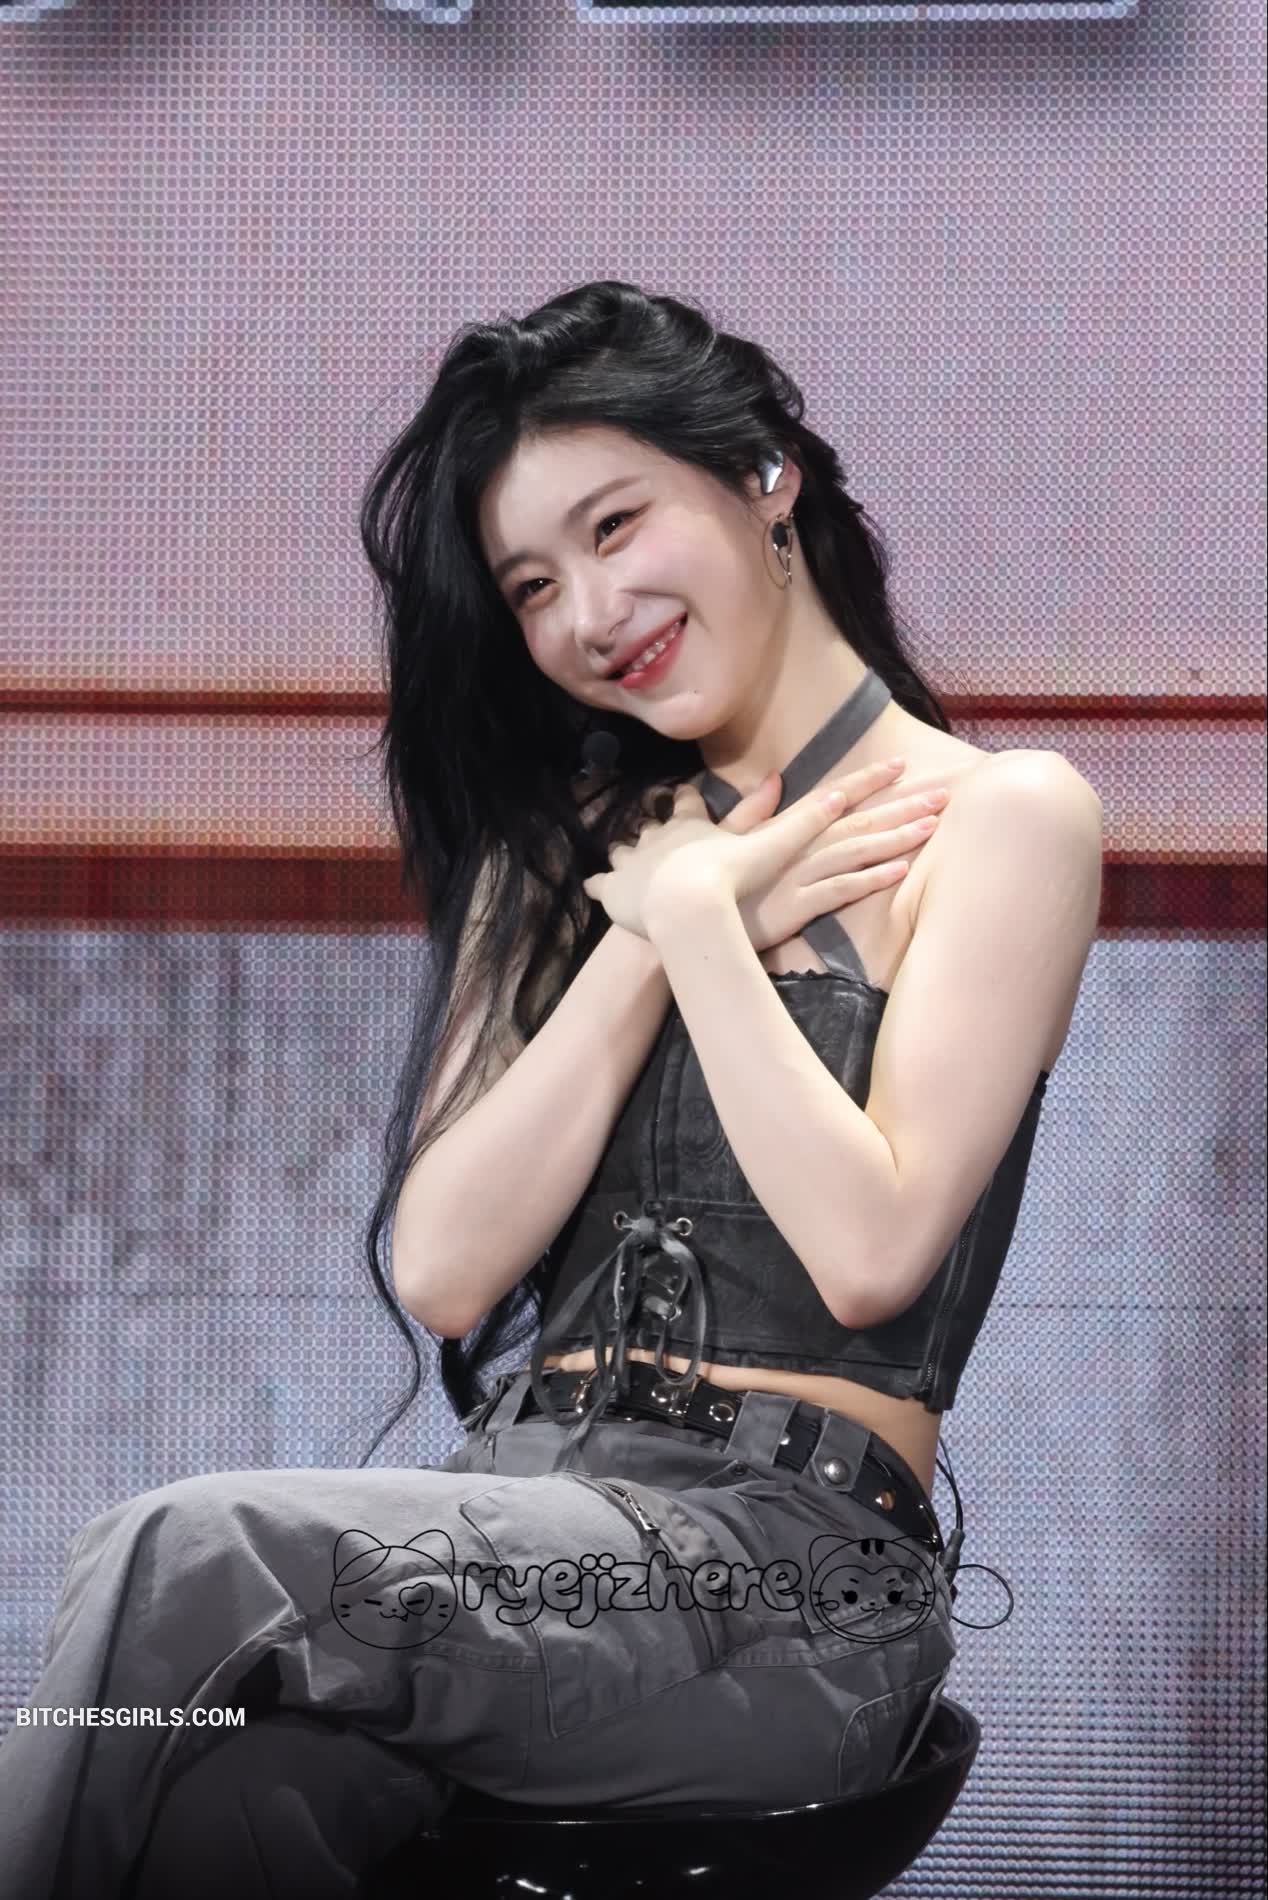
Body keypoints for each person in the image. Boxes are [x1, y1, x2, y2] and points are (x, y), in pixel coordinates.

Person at [0, 280, 1103, 1900]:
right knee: (227, 1778)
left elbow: (874, 1251)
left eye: (616, 525)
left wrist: (706, 925)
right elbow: (445, 1268)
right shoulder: (560, 862)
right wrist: (638, 935)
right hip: (519, 1529)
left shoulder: (1002, 818)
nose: (589, 613)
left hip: (788, 1589)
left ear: (765, 475)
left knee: (179, 1557)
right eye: (532, 584)